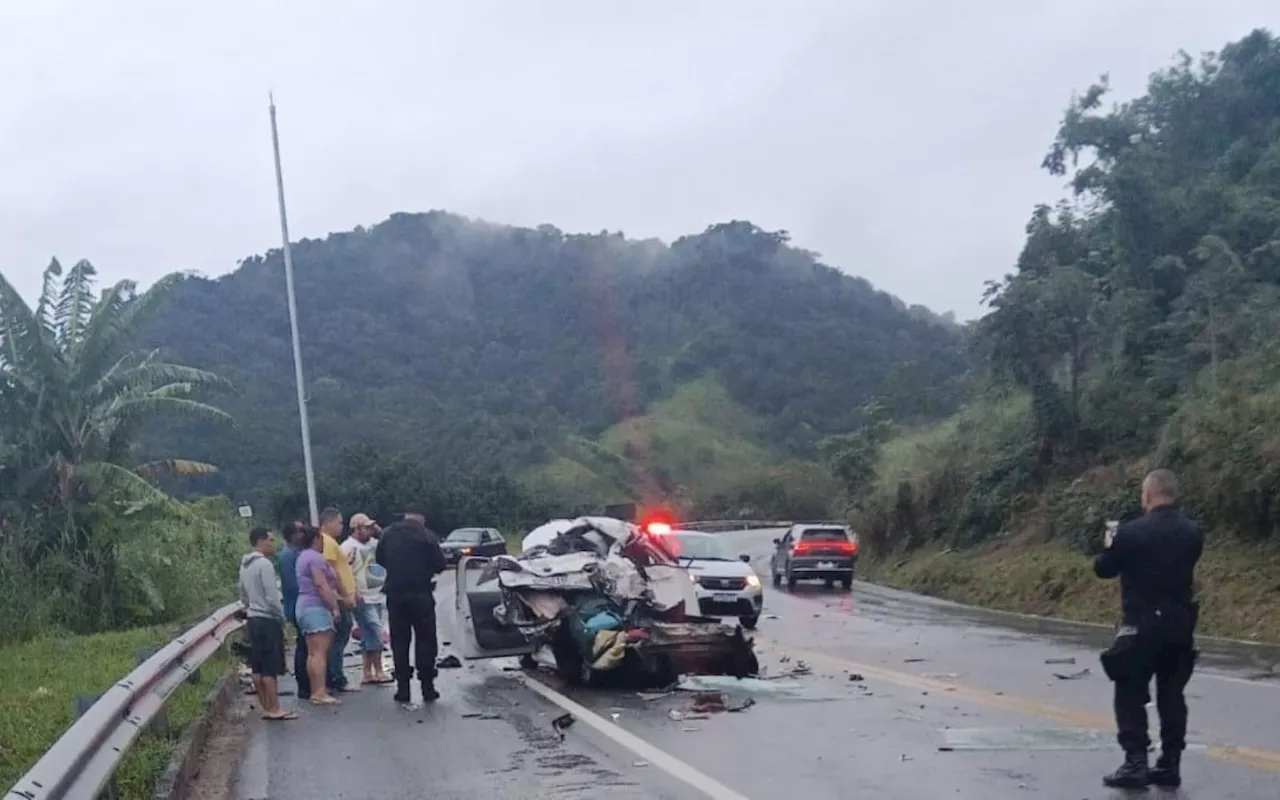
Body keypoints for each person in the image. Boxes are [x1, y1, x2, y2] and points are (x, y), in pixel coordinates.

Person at [1094, 469, 1203, 789]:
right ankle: (1170, 764)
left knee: (1129, 690)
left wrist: (1109, 544)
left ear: (1149, 494)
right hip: (1180, 625)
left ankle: (1136, 762)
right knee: (1172, 695)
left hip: (1141, 625)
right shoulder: (1193, 532)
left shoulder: (1130, 533)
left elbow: (1104, 568)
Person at [376, 504, 447, 703]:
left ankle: (403, 688)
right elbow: (440, 565)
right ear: (421, 518)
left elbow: (380, 558)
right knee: (425, 640)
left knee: (399, 640)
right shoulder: (427, 536)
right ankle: (427, 686)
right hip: (421, 593)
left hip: (396, 594)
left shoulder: (388, 534)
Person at [237, 527, 296, 720]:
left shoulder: (244, 565)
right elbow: (272, 597)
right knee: (271, 666)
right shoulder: (265, 565)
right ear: (261, 541)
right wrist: (281, 617)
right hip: (267, 620)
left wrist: (251, 606)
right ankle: (276, 708)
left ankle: (266, 708)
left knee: (257, 666)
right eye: (270, 540)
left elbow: (242, 595)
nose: (273, 544)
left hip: (252, 619)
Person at [294, 524, 343, 707]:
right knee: (320, 653)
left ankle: (316, 689)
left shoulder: (302, 557)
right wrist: (334, 607)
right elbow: (321, 584)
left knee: (313, 653)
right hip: (316, 607)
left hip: (304, 606)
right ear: (316, 539)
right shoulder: (315, 559)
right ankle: (319, 691)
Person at [342, 513, 392, 685]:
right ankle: (377, 669)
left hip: (378, 595)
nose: (370, 530)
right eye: (366, 527)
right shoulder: (347, 547)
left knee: (369, 633)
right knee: (376, 630)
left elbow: (389, 541)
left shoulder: (376, 544)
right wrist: (353, 591)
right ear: (357, 528)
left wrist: (378, 530)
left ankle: (368, 672)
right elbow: (344, 572)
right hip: (362, 597)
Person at [319, 507, 359, 694]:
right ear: (328, 523)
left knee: (339, 637)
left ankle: (333, 676)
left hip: (343, 597)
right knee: (338, 639)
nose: (341, 526)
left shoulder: (331, 542)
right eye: (339, 522)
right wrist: (341, 598)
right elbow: (330, 574)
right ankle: (336, 678)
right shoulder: (326, 542)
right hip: (339, 600)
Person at [276, 520, 311, 700]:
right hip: (298, 605)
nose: (303, 534)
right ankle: (304, 687)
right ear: (292, 535)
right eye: (300, 531)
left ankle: (308, 684)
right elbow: (293, 585)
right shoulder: (288, 556)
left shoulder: (295, 553)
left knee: (306, 645)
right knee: (304, 646)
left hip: (298, 605)